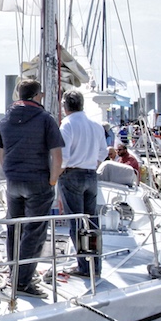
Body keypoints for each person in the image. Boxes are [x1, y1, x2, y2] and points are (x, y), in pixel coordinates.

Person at [0, 79, 63, 297]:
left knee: (14, 228)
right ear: (35, 95)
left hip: (13, 182)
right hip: (38, 181)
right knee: (34, 231)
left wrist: (10, 170)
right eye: (40, 94)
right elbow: (57, 155)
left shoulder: (5, 120)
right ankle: (23, 282)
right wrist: (52, 180)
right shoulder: (45, 119)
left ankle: (14, 273)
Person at [58, 90, 107, 278]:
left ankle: (84, 267)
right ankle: (95, 265)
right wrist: (92, 164)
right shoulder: (96, 125)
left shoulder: (67, 125)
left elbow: (64, 157)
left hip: (72, 174)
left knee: (76, 223)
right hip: (91, 174)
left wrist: (56, 175)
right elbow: (103, 151)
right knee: (91, 221)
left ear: (65, 106)